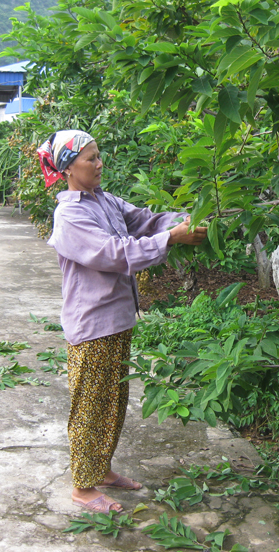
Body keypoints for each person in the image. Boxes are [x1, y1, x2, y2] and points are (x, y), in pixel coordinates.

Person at [37, 130, 207, 514]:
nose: (99, 164)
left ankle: (103, 469)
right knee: (90, 406)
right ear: (68, 168)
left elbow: (145, 220)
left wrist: (185, 220)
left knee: (115, 400)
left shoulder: (106, 201)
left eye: (99, 156)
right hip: (92, 325)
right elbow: (114, 253)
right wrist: (171, 240)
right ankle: (82, 487)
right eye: (90, 159)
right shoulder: (70, 215)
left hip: (118, 319)